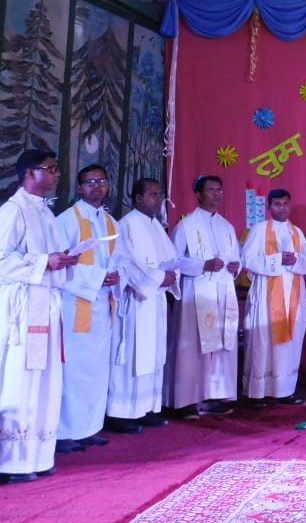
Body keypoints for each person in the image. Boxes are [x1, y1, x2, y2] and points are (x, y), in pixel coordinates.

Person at [0, 149, 78, 485]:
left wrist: (64, 260)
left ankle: (36, 454)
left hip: (46, 303)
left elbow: (49, 259)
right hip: (20, 308)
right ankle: (6, 460)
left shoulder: (46, 212)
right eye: (51, 168)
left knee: (44, 382)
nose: (57, 173)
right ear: (31, 173)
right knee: (17, 382)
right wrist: (44, 262)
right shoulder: (13, 210)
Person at [56, 164, 124, 452]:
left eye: (101, 181)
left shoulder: (111, 222)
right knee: (73, 370)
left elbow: (121, 259)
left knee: (97, 370)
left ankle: (89, 428)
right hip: (75, 306)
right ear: (80, 187)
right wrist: (98, 277)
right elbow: (60, 266)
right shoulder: (66, 220)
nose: (97, 187)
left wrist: (116, 276)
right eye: (90, 182)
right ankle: (64, 432)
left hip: (103, 305)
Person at [106, 178, 180, 432]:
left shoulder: (156, 225)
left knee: (154, 354)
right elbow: (127, 264)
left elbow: (171, 259)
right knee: (133, 355)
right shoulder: (126, 225)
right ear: (138, 198)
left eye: (160, 194)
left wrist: (171, 276)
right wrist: (159, 278)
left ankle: (147, 407)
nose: (158, 199)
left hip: (155, 301)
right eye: (153, 194)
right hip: (136, 302)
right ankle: (122, 413)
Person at [165, 175, 241, 418]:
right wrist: (202, 265)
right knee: (194, 347)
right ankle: (188, 399)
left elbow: (236, 258)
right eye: (211, 190)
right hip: (196, 292)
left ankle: (215, 395)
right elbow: (173, 260)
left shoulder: (227, 227)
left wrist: (235, 266)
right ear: (198, 194)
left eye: (219, 190)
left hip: (223, 292)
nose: (216, 194)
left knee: (221, 345)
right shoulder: (186, 226)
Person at [242, 187, 306, 406]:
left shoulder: (297, 232)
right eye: (277, 204)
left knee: (290, 343)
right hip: (266, 293)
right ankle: (257, 393)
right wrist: (277, 259)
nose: (282, 208)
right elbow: (247, 259)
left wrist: (296, 260)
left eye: (285, 204)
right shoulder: (259, 230)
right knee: (263, 340)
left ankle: (285, 390)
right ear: (269, 207)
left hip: (292, 293)